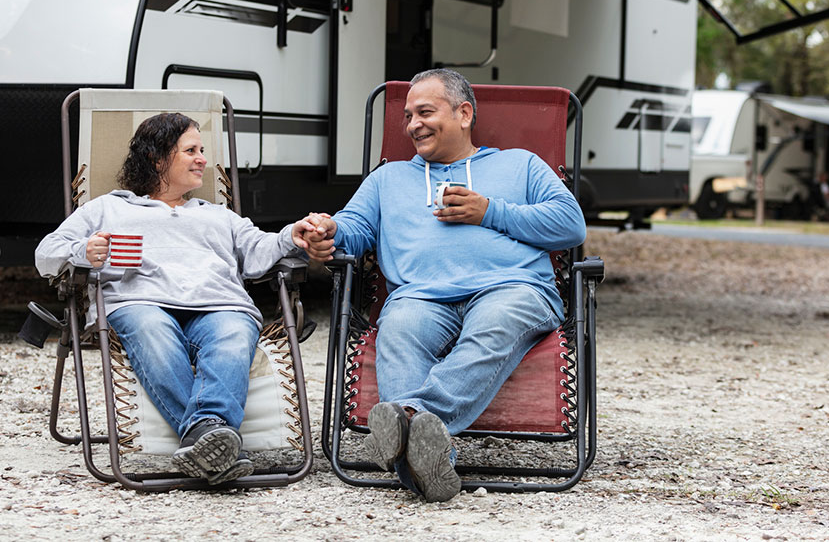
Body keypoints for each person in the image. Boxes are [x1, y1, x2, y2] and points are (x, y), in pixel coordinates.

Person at [300, 68, 586, 501]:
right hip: (420, 295)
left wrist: (489, 211)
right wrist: (329, 232)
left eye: (425, 112)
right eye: (408, 116)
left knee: (494, 323)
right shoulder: (388, 179)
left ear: (464, 114)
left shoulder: (521, 164)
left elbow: (570, 225)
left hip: (512, 288)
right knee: (399, 328)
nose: (412, 125)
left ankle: (408, 419)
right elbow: (353, 228)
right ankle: (433, 459)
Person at [36, 113, 318, 485]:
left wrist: (291, 234)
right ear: (157, 159)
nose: (203, 159)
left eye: (202, 150)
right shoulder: (107, 209)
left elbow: (258, 250)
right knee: (152, 328)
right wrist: (83, 251)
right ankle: (214, 438)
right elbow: (46, 253)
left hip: (219, 305)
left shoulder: (217, 215)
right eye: (191, 151)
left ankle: (204, 435)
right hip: (141, 303)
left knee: (235, 332)